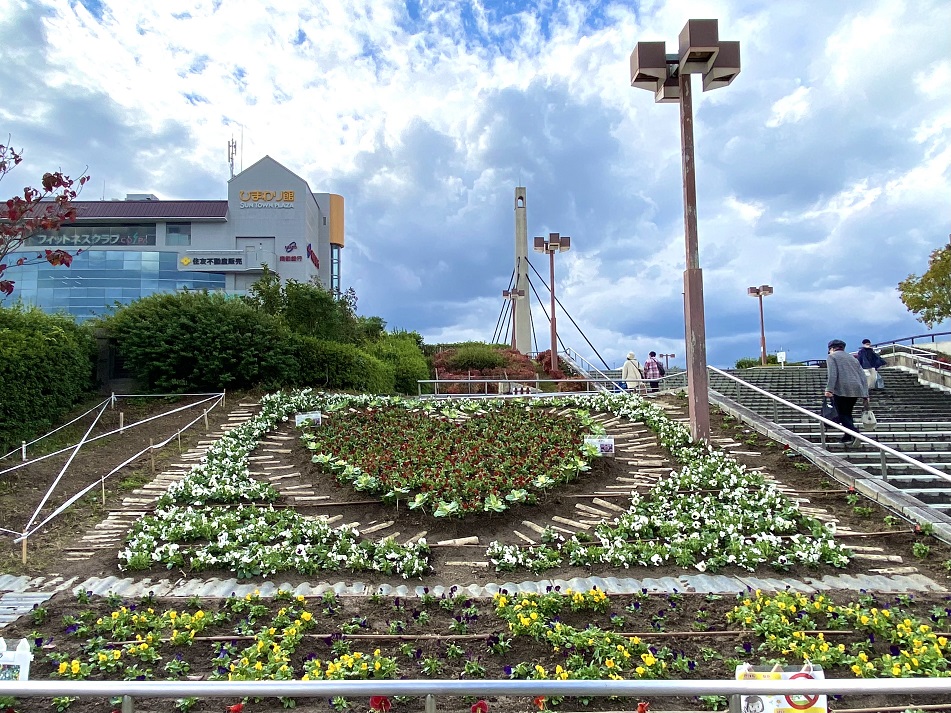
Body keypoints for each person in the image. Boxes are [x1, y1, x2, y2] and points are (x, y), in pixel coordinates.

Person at [824, 339, 869, 445]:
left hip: (842, 389)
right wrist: (865, 393)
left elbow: (833, 374)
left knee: (842, 413)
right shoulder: (852, 358)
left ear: (832, 348)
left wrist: (829, 389)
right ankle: (847, 436)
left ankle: (855, 433)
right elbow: (862, 375)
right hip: (857, 388)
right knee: (847, 412)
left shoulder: (832, 357)